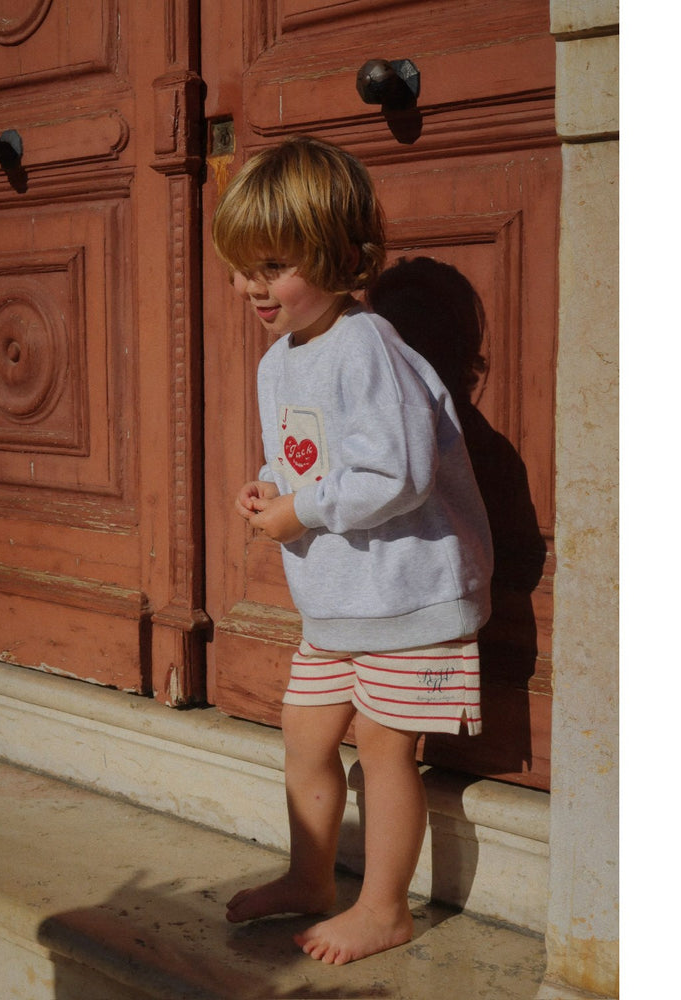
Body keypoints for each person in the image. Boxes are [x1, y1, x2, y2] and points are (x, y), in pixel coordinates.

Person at [211, 135, 494, 966]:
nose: (252, 287)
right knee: (304, 737)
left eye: (272, 267)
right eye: (242, 269)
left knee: (383, 748)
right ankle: (310, 878)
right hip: (337, 603)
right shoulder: (278, 363)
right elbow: (308, 456)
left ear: (338, 254)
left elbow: (397, 474)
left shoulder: (369, 347)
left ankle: (384, 909)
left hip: (409, 595)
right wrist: (270, 488)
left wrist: (302, 511)